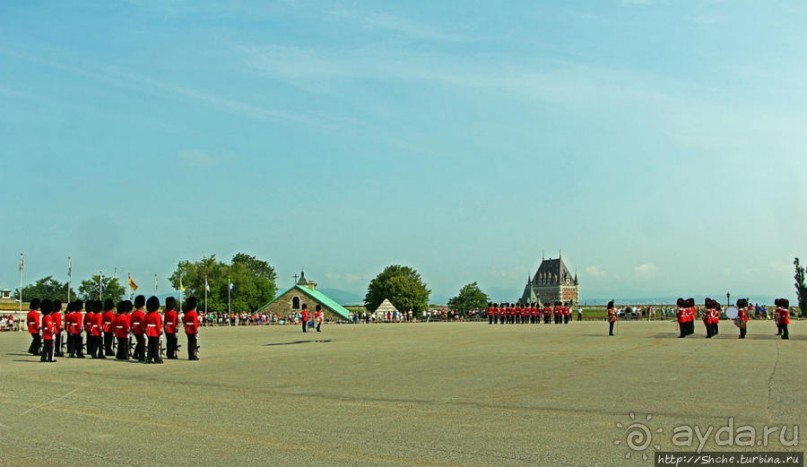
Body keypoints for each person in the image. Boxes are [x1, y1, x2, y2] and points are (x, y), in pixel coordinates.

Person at [144, 296, 163, 364]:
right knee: (155, 346)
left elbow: (145, 324)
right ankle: (156, 358)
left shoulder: (147, 315)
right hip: (155, 331)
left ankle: (149, 358)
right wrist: (160, 331)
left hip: (149, 331)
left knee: (150, 345)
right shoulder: (156, 315)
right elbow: (158, 325)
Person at [131, 295, 146, 362]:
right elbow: (142, 322)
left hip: (135, 329)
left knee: (139, 342)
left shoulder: (134, 313)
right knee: (142, 342)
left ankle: (135, 354)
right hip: (140, 329)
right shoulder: (141, 313)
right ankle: (141, 356)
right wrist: (144, 329)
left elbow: (131, 321)